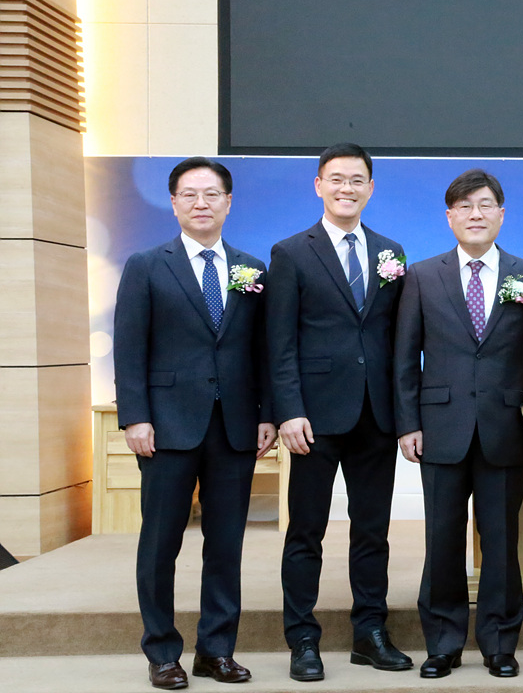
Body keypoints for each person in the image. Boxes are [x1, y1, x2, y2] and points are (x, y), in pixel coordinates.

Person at [113, 157, 275, 689]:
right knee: (161, 545)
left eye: (211, 194)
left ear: (228, 202)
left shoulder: (251, 268)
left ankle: (216, 650)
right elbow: (129, 348)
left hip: (235, 426)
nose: (200, 203)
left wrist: (267, 415)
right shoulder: (146, 265)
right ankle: (162, 652)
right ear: (174, 202)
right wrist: (135, 418)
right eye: (189, 194)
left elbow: (264, 351)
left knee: (226, 545)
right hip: (166, 428)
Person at [395, 169, 523, 679]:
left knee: (501, 541)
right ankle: (443, 643)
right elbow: (404, 358)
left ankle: (500, 643)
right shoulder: (422, 276)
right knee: (442, 539)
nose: (475, 214)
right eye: (464, 206)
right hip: (440, 427)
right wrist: (407, 423)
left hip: (505, 428)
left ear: (501, 214)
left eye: (485, 205)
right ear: (449, 217)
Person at [266, 142, 410, 682]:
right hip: (313, 418)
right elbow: (279, 341)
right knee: (306, 531)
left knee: (372, 532)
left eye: (356, 180)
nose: (346, 188)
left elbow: (397, 339)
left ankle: (370, 633)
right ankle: (303, 639)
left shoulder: (391, 251)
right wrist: (288, 410)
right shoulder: (291, 252)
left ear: (370, 188)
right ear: (319, 185)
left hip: (376, 415)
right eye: (336, 179)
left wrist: (405, 414)